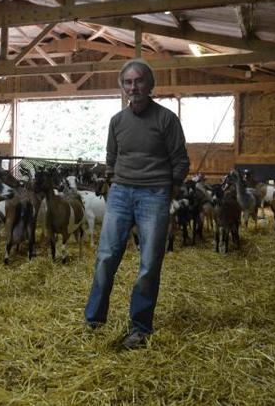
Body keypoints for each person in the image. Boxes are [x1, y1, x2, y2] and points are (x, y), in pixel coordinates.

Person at [84, 58, 189, 349]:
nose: (134, 86)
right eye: (128, 82)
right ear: (122, 86)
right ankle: (94, 318)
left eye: (139, 80)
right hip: (120, 193)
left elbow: (180, 159)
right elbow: (111, 157)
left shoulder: (166, 119)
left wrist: (170, 189)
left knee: (150, 262)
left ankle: (140, 327)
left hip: (154, 194)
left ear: (150, 84)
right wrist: (112, 181)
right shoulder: (117, 121)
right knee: (106, 256)